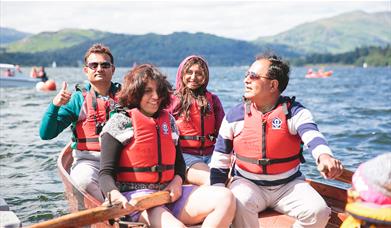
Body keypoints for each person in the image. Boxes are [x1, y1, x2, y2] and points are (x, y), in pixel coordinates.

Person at [209, 53, 344, 228]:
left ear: (273, 85)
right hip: (247, 183)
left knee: (319, 212)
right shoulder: (234, 116)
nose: (246, 80)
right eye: (246, 75)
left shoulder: (295, 112)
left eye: (254, 76)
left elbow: (313, 136)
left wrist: (324, 156)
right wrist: (218, 192)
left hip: (289, 186)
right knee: (238, 203)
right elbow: (220, 159)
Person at [99, 64, 235, 227]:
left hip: (168, 194)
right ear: (135, 92)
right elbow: (105, 173)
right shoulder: (119, 123)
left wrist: (177, 181)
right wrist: (114, 195)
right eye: (148, 91)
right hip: (137, 201)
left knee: (226, 198)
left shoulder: (169, 121)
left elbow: (179, 164)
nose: (156, 96)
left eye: (159, 91)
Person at [39, 43, 120, 202]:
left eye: (105, 65)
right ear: (86, 70)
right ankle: (110, 212)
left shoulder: (126, 96)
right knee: (84, 181)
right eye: (93, 65)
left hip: (122, 160)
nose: (99, 69)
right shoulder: (77, 99)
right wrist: (55, 105)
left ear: (113, 69)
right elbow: (46, 134)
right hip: (89, 161)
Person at [167, 55, 225, 186]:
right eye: (189, 72)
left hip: (211, 155)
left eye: (199, 73)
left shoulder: (213, 100)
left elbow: (223, 133)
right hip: (185, 156)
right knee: (213, 180)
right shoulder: (171, 100)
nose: (193, 77)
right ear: (181, 73)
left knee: (231, 177)